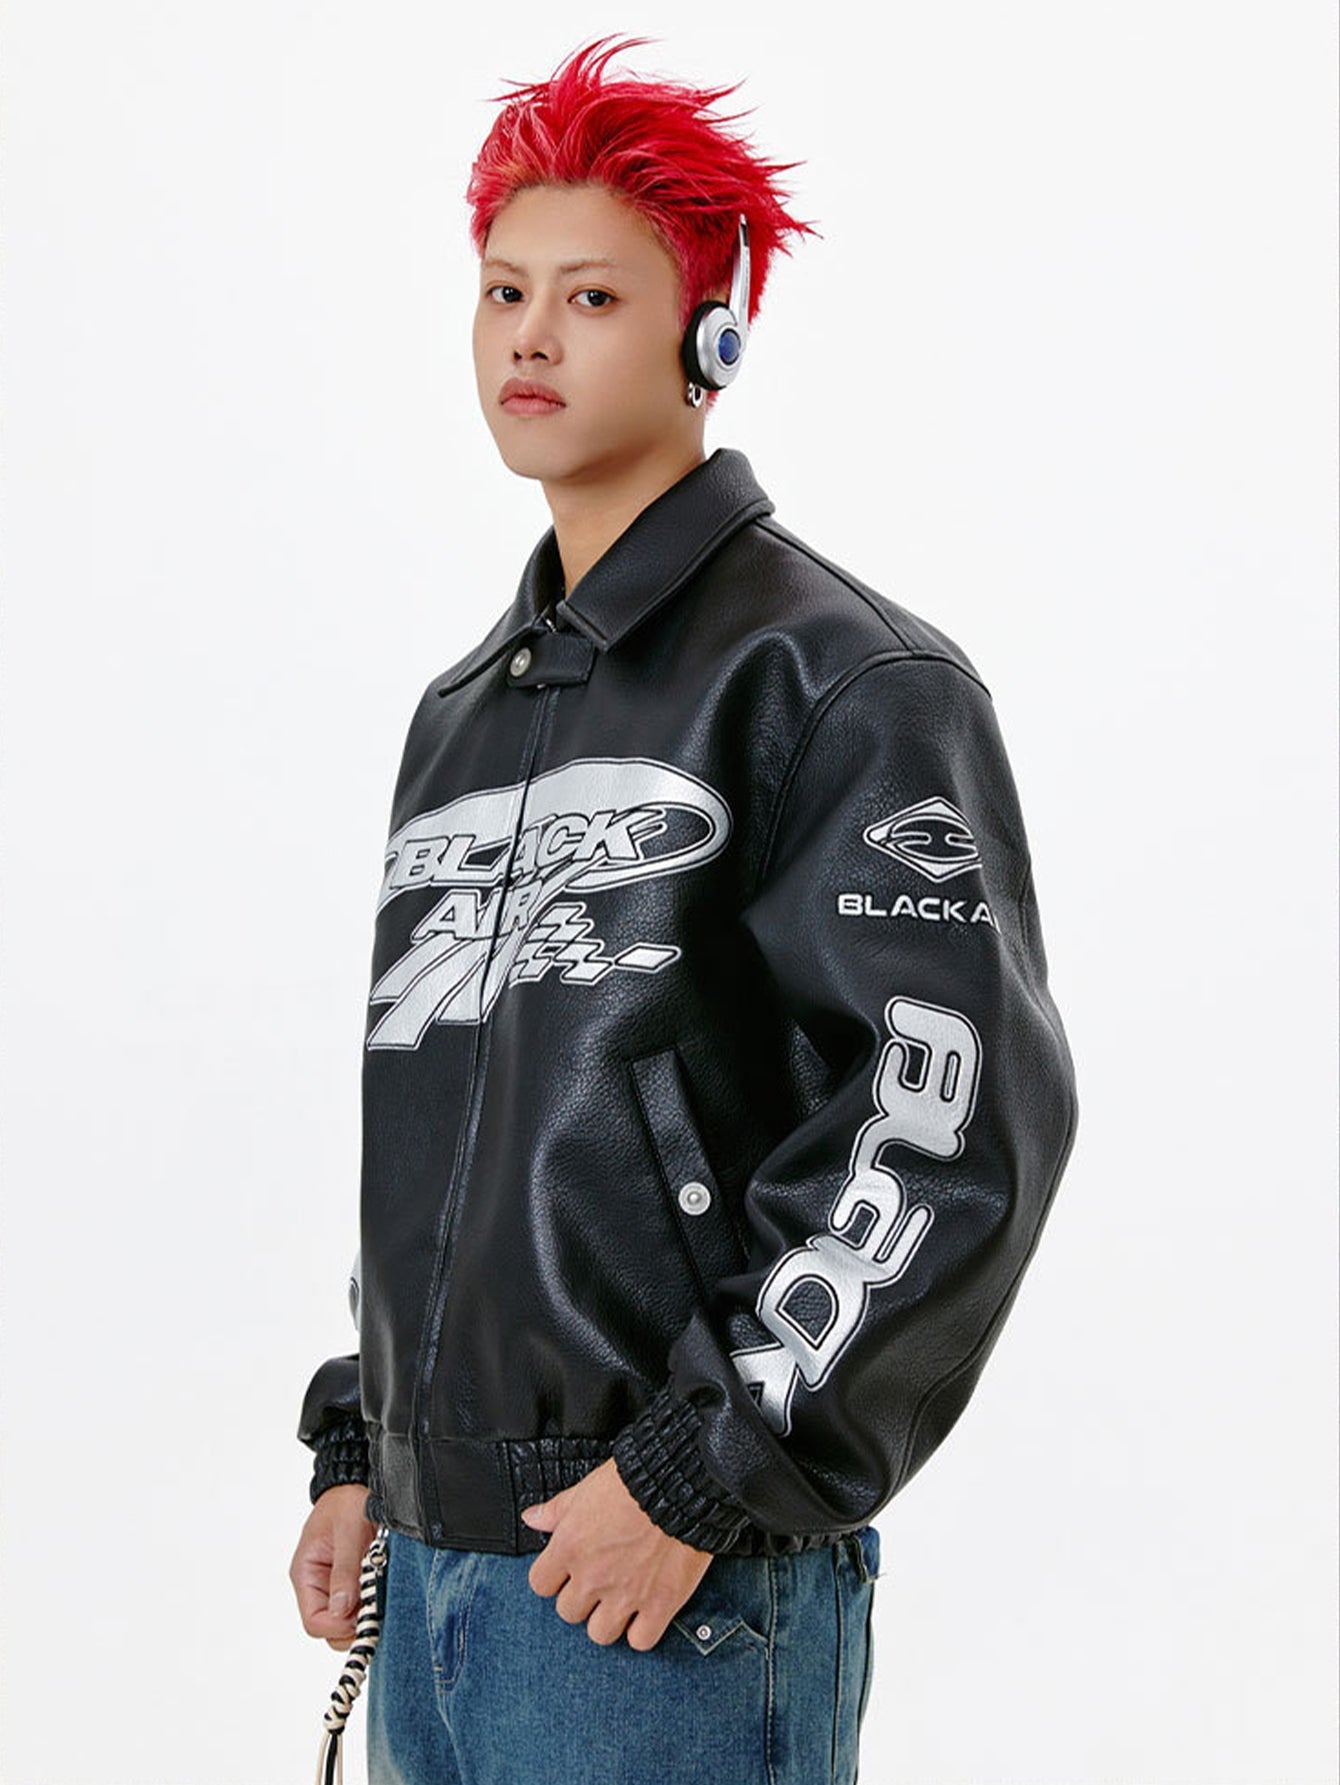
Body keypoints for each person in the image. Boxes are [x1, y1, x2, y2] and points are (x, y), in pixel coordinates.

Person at [288, 33, 1079, 1785]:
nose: (530, 337)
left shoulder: (841, 680)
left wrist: (697, 1471)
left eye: (591, 296)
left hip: (663, 1595)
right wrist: (366, 1446)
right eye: (503, 291)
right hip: (428, 1583)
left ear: (710, 336)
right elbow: (449, 1137)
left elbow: (952, 1120)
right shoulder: (465, 713)